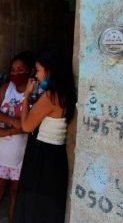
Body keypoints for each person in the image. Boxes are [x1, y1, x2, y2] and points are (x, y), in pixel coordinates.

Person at [13, 51, 76, 223]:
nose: (37, 75)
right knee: (46, 209)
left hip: (42, 156)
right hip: (55, 156)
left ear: (49, 71)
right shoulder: (65, 94)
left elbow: (26, 126)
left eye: (39, 71)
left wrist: (26, 96)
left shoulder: (50, 96)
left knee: (34, 206)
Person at [0, 52, 36, 223]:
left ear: (31, 70)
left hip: (22, 157)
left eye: (21, 69)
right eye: (13, 70)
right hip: (0, 153)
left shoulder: (36, 93)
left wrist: (7, 131)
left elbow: (32, 126)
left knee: (15, 196)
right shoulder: (6, 89)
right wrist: (15, 122)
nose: (16, 73)